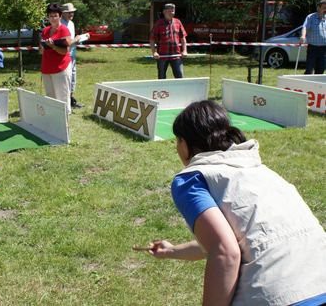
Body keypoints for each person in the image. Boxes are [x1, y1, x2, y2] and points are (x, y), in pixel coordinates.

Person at [140, 100, 326, 305]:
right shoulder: (260, 170)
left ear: (185, 144)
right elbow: (239, 240)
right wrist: (171, 251)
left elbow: (225, 250)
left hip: (281, 296)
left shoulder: (191, 179)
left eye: (177, 140)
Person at [40, 3, 73, 115]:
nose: (53, 18)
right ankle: (53, 119)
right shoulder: (45, 31)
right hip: (47, 69)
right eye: (50, 16)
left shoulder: (64, 30)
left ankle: (65, 120)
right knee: (50, 96)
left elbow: (65, 51)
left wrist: (53, 46)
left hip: (61, 68)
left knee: (62, 96)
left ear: (60, 16)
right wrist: (42, 46)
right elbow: (41, 51)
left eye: (55, 16)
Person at [149, 3, 188, 79]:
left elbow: (183, 38)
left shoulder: (178, 22)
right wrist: (154, 52)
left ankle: (180, 90)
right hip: (162, 56)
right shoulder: (159, 23)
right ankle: (162, 91)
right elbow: (152, 39)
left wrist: (184, 50)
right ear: (164, 12)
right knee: (162, 77)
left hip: (176, 55)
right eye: (169, 11)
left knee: (180, 77)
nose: (171, 13)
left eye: (173, 11)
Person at [61, 2, 85, 109]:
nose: (71, 14)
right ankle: (64, 99)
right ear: (63, 13)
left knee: (73, 76)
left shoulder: (71, 24)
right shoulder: (61, 24)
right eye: (69, 12)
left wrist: (79, 40)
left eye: (72, 12)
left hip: (72, 53)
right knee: (66, 77)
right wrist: (76, 39)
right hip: (64, 55)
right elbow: (65, 41)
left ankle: (71, 98)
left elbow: (72, 39)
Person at [300, 0, 326, 75]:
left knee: (321, 69)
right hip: (313, 48)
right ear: (318, 7)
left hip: (324, 49)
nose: (325, 10)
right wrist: (303, 36)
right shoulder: (310, 17)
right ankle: (305, 85)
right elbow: (305, 27)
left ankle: (317, 86)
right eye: (324, 8)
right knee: (309, 69)